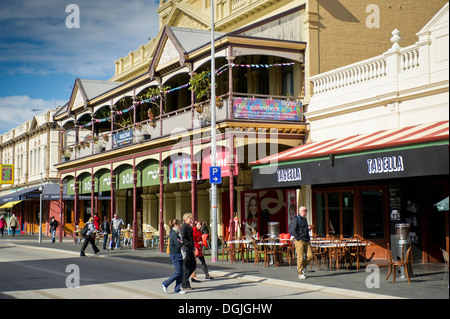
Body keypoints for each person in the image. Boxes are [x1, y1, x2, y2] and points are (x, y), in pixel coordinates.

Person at [162, 219, 186, 294]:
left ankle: (177, 289)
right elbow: (178, 244)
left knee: (181, 273)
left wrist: (181, 242)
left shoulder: (177, 233)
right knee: (178, 272)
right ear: (175, 225)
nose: (180, 226)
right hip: (174, 254)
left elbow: (179, 242)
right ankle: (165, 283)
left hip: (179, 254)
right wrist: (181, 242)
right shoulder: (173, 233)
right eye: (179, 225)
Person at [290, 206, 313, 279]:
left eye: (306, 210)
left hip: (306, 240)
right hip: (300, 240)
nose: (306, 212)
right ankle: (300, 273)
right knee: (300, 257)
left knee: (310, 256)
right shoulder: (296, 219)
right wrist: (298, 238)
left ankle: (302, 266)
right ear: (300, 211)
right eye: (305, 210)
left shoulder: (305, 219)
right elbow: (293, 230)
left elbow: (304, 229)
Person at [180, 212, 196, 290]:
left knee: (193, 266)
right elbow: (182, 238)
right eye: (190, 218)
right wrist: (187, 243)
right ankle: (185, 283)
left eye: (191, 218)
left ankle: (184, 281)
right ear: (186, 219)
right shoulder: (184, 227)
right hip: (186, 249)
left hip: (190, 248)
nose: (191, 220)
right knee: (187, 266)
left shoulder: (189, 227)